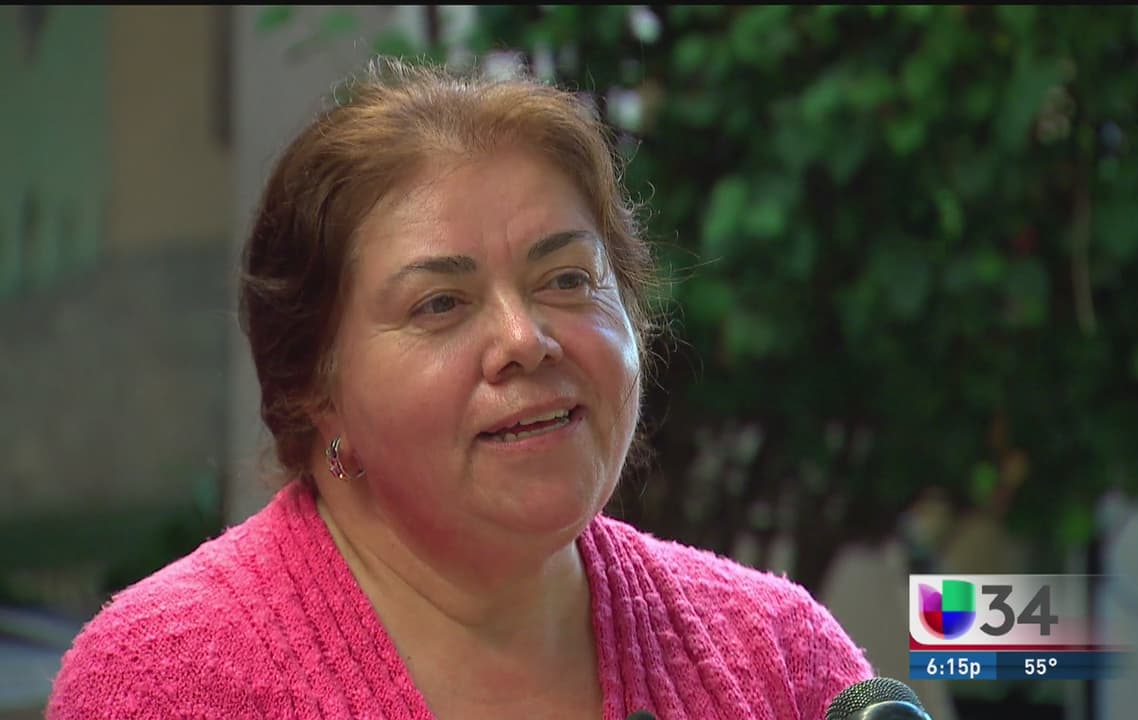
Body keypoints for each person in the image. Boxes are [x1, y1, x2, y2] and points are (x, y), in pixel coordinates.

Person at [47, 57, 873, 719]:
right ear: (315, 390)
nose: (525, 340)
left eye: (567, 280)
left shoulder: (784, 660)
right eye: (440, 303)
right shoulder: (164, 682)